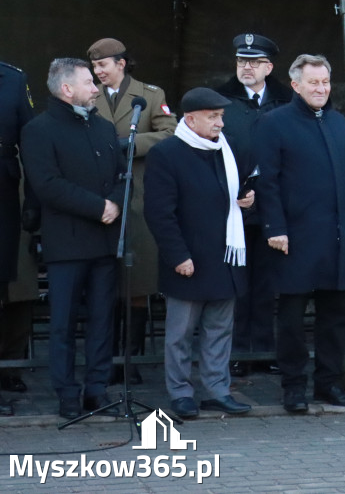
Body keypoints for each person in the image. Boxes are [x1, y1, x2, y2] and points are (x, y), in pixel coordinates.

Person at [256, 54, 345, 412]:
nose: (321, 89)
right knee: (291, 319)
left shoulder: (338, 123)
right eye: (313, 83)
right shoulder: (274, 123)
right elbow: (267, 182)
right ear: (295, 85)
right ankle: (293, 388)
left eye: (325, 82)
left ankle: (329, 384)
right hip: (293, 238)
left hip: (337, 237)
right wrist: (274, 227)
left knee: (335, 317)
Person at [21, 58, 125, 418]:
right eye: (88, 82)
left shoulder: (103, 126)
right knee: (63, 324)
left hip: (105, 242)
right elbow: (47, 185)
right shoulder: (39, 129)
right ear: (67, 89)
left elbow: (123, 175)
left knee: (102, 320)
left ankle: (97, 391)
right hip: (66, 243)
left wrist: (115, 203)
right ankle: (67, 395)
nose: (96, 88)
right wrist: (100, 207)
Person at [144, 88, 253, 418]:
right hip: (188, 258)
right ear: (190, 119)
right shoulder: (167, 154)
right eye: (212, 117)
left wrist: (248, 199)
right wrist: (178, 255)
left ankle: (217, 389)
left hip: (224, 256)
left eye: (221, 116)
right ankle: (180, 392)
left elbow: (239, 189)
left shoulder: (225, 150)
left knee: (220, 330)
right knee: (180, 333)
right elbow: (160, 212)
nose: (220, 123)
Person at [88, 37, 176, 384]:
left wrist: (129, 145)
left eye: (103, 66)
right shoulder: (88, 93)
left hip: (138, 198)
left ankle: (130, 359)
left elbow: (170, 133)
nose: (98, 73)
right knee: (103, 282)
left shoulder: (149, 94)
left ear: (121, 63)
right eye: (94, 68)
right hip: (99, 198)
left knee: (137, 282)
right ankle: (104, 358)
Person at [216, 32, 292, 378]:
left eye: (254, 62)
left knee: (266, 284)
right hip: (232, 206)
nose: (246, 67)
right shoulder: (221, 100)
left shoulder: (287, 101)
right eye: (241, 61)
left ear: (269, 67)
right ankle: (236, 352)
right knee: (236, 283)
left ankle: (263, 350)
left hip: (273, 206)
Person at [0, 59, 33, 416]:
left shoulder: (12, 78)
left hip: (6, 195)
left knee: (12, 285)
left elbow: (28, 137)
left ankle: (9, 368)